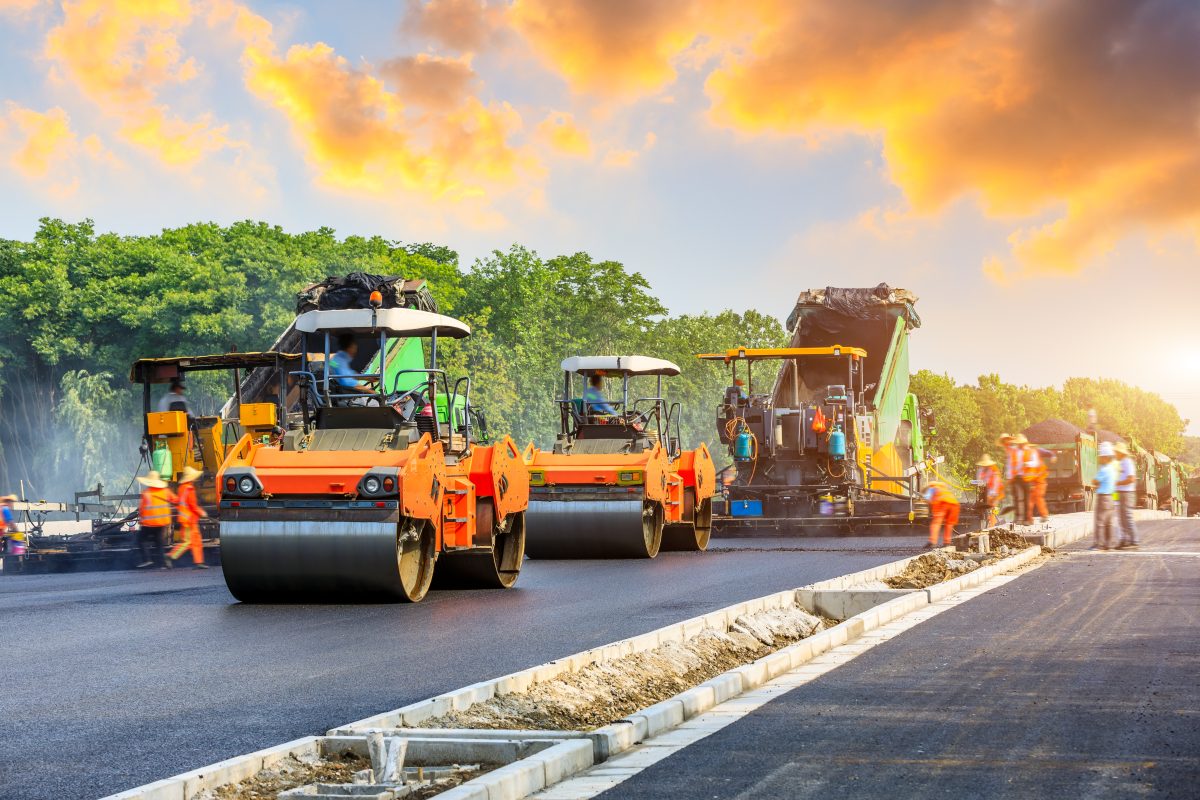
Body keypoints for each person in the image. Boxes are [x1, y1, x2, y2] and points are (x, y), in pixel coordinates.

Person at [168, 466, 207, 569]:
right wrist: (202, 512)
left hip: (189, 519)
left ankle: (199, 562)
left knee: (196, 541)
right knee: (187, 542)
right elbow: (193, 506)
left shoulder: (182, 488)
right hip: (188, 520)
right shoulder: (189, 489)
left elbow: (180, 502)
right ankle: (171, 556)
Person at [136, 471, 176, 569]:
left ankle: (147, 560)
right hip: (162, 523)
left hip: (148, 524)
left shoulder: (146, 493)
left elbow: (141, 509)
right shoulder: (166, 491)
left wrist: (141, 520)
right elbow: (176, 500)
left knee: (141, 540)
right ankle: (163, 564)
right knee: (159, 543)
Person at [328, 334, 377, 399]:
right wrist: (371, 392)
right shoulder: (339, 361)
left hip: (342, 394)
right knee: (375, 403)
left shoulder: (337, 358)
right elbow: (347, 383)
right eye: (355, 346)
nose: (356, 349)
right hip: (345, 398)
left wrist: (367, 378)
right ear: (350, 347)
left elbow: (349, 374)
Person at [1091, 442, 1118, 550]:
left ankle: (1099, 544)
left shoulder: (1104, 469)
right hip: (1111, 497)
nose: (1100, 459)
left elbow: (1094, 481)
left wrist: (1096, 483)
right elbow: (1115, 485)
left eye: (1101, 457)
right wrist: (1115, 501)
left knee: (1100, 521)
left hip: (1103, 498)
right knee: (1109, 522)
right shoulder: (1113, 470)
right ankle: (1108, 543)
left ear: (1105, 457)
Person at [1114, 442, 1140, 549]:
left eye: (1116, 452)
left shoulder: (1128, 462)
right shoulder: (1118, 463)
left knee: (1127, 517)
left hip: (1126, 493)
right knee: (1120, 518)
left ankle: (1134, 540)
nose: (1115, 453)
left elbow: (1131, 479)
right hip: (1117, 493)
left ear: (1121, 452)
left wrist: (1117, 483)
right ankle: (1124, 540)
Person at [1022, 440, 1055, 524]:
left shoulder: (1036, 452)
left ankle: (1043, 515)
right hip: (1031, 482)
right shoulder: (1025, 455)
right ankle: (1029, 519)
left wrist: (1052, 456)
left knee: (1038, 498)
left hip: (1040, 481)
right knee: (1029, 501)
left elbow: (1047, 454)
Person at [1001, 434, 1028, 524]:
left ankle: (1023, 518)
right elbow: (1009, 466)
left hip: (1021, 476)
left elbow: (1015, 465)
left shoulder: (1015, 450)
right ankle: (1018, 517)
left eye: (1007, 441)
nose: (1005, 443)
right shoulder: (1009, 450)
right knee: (1016, 498)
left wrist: (1009, 479)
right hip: (1014, 477)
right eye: (1004, 442)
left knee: (1022, 498)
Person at [923, 480, 960, 549]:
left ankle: (932, 542)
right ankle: (947, 542)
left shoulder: (932, 488)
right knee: (949, 524)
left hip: (942, 504)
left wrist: (929, 508)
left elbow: (927, 498)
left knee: (936, 523)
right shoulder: (944, 489)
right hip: (955, 505)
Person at [975, 454, 1003, 528]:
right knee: (979, 505)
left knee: (992, 508)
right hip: (985, 490)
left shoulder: (994, 471)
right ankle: (983, 521)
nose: (985, 466)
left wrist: (991, 495)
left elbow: (996, 485)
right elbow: (978, 481)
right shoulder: (980, 470)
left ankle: (992, 526)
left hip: (994, 491)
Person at [1, 494, 24, 559]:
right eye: (12, 502)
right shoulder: (5, 509)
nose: (12, 504)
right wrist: (18, 533)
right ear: (8, 502)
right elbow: (11, 524)